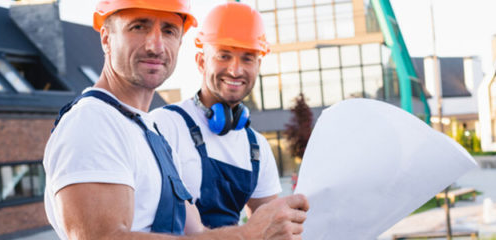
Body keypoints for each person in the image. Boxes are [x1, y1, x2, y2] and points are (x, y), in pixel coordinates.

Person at [42, 0, 308, 239]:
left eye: (169, 30)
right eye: (138, 27)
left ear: (180, 42)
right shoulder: (93, 121)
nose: (155, 45)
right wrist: (247, 235)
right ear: (106, 38)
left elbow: (198, 234)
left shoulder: (149, 132)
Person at [150, 2, 280, 229]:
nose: (235, 70)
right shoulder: (165, 126)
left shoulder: (256, 148)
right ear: (201, 62)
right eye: (224, 56)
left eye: (247, 58)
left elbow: (273, 227)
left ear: (258, 66)